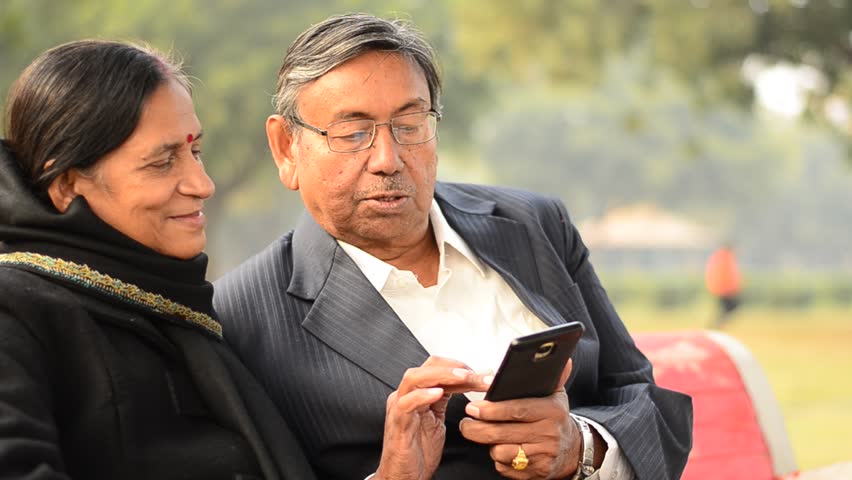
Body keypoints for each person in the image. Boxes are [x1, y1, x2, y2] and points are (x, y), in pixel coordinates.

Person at [214, 13, 693, 480]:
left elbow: (639, 396)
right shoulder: (241, 316)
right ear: (285, 148)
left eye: (410, 123)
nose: (388, 159)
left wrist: (581, 447)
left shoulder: (533, 224)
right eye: (353, 133)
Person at [0, 40, 316, 480]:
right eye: (162, 162)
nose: (202, 184)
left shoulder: (169, 303)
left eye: (196, 151)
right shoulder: (16, 309)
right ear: (68, 183)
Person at [705, 243, 743, 328]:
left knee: (725, 308)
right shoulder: (725, 259)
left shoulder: (721, 257)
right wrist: (732, 288)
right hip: (724, 289)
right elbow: (727, 275)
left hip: (720, 288)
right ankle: (716, 325)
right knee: (731, 306)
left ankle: (717, 324)